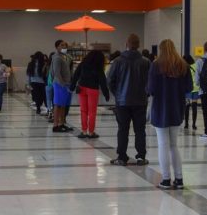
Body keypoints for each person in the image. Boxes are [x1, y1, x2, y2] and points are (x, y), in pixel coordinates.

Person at [148, 39, 193, 189]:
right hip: (177, 108)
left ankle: (166, 179)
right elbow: (189, 87)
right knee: (174, 145)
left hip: (160, 108)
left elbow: (151, 89)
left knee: (163, 145)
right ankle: (179, 179)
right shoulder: (183, 65)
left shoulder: (156, 65)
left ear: (160, 50)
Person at [107, 33, 151, 166]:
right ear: (138, 45)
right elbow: (151, 82)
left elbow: (110, 80)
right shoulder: (146, 62)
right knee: (140, 130)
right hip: (140, 101)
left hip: (122, 102)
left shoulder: (118, 61)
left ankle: (121, 156)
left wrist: (117, 94)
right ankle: (141, 157)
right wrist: (146, 94)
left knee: (123, 129)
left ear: (126, 44)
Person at [70, 50, 110, 139]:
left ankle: (84, 132)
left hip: (82, 88)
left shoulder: (83, 63)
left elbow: (76, 75)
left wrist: (72, 87)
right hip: (93, 90)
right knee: (92, 112)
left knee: (83, 111)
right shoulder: (98, 67)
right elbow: (102, 81)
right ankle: (91, 132)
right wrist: (106, 93)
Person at [50, 40, 73, 132]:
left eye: (65, 45)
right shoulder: (57, 58)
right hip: (60, 84)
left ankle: (62, 123)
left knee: (63, 105)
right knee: (58, 104)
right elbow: (56, 73)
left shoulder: (64, 57)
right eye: (62, 45)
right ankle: (56, 125)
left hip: (66, 84)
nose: (64, 47)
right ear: (57, 47)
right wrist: (62, 84)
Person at [183, 54, 199, 131]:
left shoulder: (185, 67)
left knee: (187, 107)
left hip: (188, 89)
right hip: (196, 89)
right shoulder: (196, 65)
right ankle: (194, 124)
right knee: (194, 107)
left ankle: (186, 124)